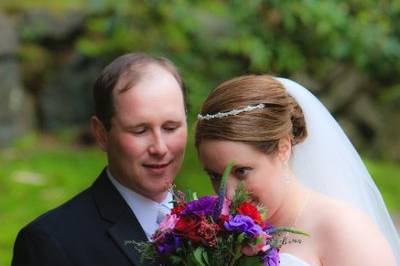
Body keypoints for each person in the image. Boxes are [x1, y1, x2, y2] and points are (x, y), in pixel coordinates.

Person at [195, 75, 399, 265]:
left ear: (283, 148)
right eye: (215, 176)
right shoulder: (215, 230)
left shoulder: (344, 230)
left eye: (242, 172)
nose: (227, 195)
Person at [11, 52, 188, 266]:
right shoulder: (49, 243)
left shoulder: (213, 223)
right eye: (140, 130)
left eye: (171, 128)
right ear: (101, 134)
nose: (160, 147)